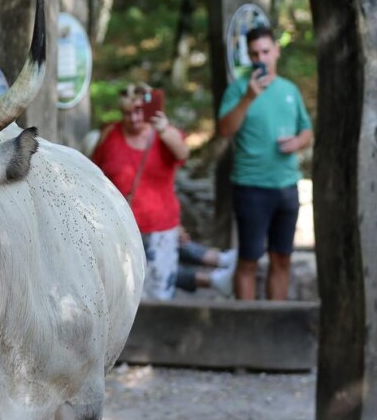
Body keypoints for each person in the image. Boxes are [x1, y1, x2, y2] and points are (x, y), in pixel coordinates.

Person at [93, 84, 235, 300]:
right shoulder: (110, 134)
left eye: (139, 111)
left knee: (159, 290)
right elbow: (95, 173)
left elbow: (182, 153)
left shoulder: (164, 134)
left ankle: (220, 263)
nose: (133, 118)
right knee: (124, 292)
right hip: (120, 227)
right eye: (127, 113)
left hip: (159, 227)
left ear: (149, 109)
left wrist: (163, 129)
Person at [217, 26, 313, 301]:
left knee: (282, 258)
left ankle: (276, 321)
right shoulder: (238, 89)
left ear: (276, 51)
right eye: (255, 53)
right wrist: (248, 97)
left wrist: (298, 142)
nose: (261, 58)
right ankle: (247, 327)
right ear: (249, 56)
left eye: (266, 51)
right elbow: (224, 130)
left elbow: (306, 129)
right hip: (251, 187)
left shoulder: (289, 90)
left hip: (286, 186)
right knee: (248, 261)